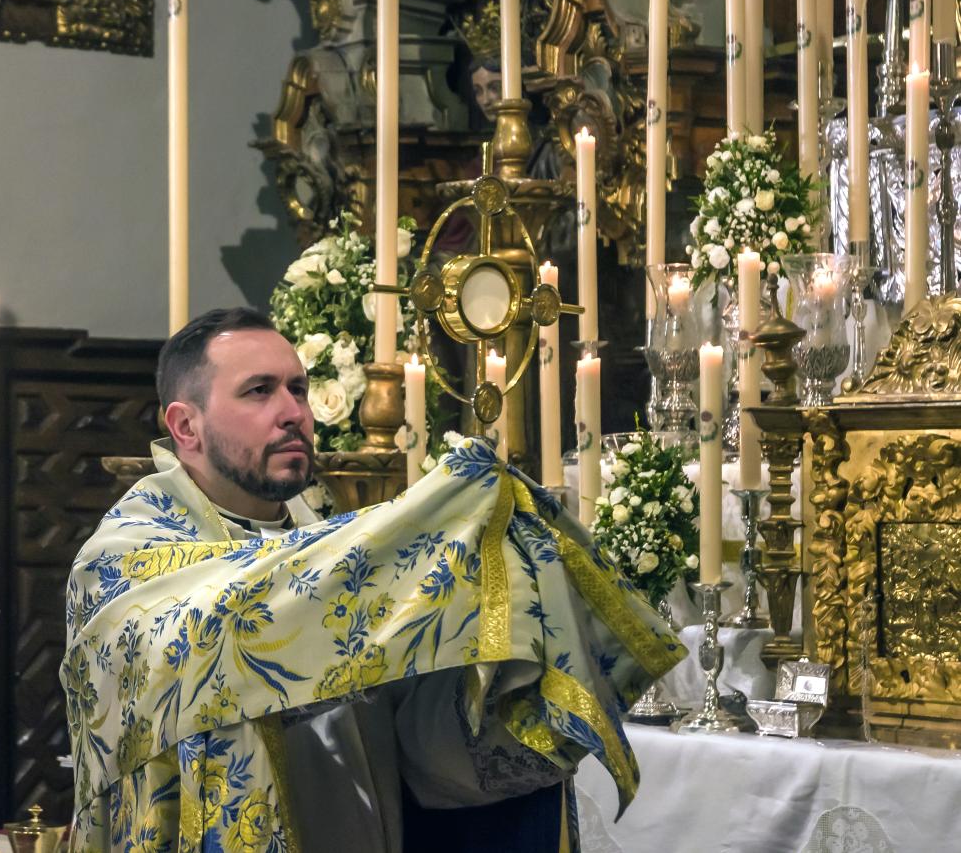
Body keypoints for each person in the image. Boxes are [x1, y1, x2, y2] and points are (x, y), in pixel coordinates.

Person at [62, 308, 685, 852]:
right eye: (258, 391)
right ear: (186, 425)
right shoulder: (120, 558)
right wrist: (405, 536)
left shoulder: (334, 546)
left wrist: (497, 682)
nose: (293, 413)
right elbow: (215, 635)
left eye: (299, 389)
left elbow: (419, 741)